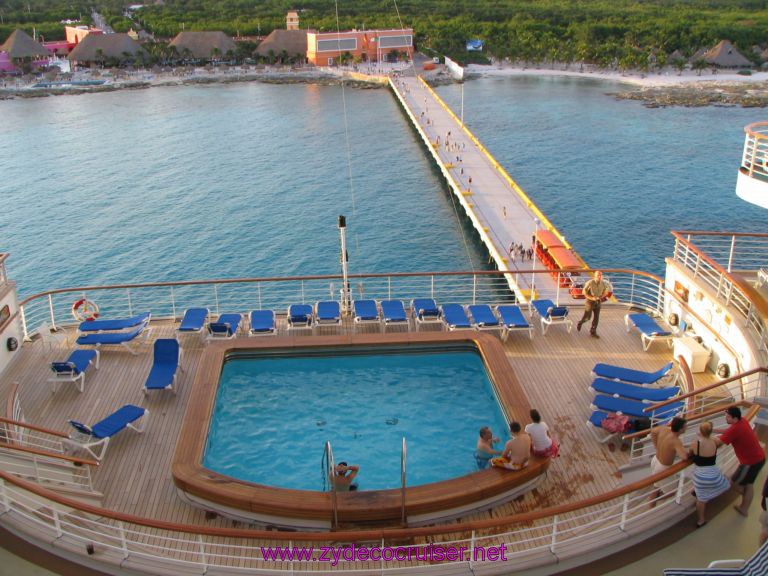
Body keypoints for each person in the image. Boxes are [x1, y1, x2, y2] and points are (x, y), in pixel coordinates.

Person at [715, 406, 766, 516]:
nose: (726, 418)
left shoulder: (735, 429)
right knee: (749, 483)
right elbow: (729, 432)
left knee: (733, 483)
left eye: (728, 417)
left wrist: (707, 438)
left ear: (734, 418)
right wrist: (713, 430)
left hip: (750, 462)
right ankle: (744, 508)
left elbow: (718, 443)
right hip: (759, 458)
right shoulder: (742, 421)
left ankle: (745, 499)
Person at [689, 421, 731, 527]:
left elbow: (690, 454)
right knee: (725, 481)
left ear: (700, 431)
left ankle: (701, 520)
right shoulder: (715, 441)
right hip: (714, 474)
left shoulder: (695, 443)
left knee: (701, 501)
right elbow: (720, 442)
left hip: (700, 476)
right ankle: (699, 492)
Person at [649, 417, 689, 501]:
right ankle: (655, 499)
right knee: (672, 492)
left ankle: (651, 503)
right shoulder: (676, 441)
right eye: (685, 426)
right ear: (680, 429)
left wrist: (656, 446)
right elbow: (684, 457)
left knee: (656, 486)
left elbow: (653, 431)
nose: (686, 428)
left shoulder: (664, 429)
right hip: (663, 468)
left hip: (655, 460)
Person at [576, 270, 612, 338]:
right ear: (594, 276)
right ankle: (580, 323)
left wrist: (602, 296)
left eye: (601, 275)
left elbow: (606, 291)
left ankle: (593, 331)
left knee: (596, 317)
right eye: (598, 275)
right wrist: (591, 298)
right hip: (590, 302)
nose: (600, 277)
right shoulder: (590, 283)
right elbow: (584, 292)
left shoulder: (603, 283)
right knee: (587, 317)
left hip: (598, 301)